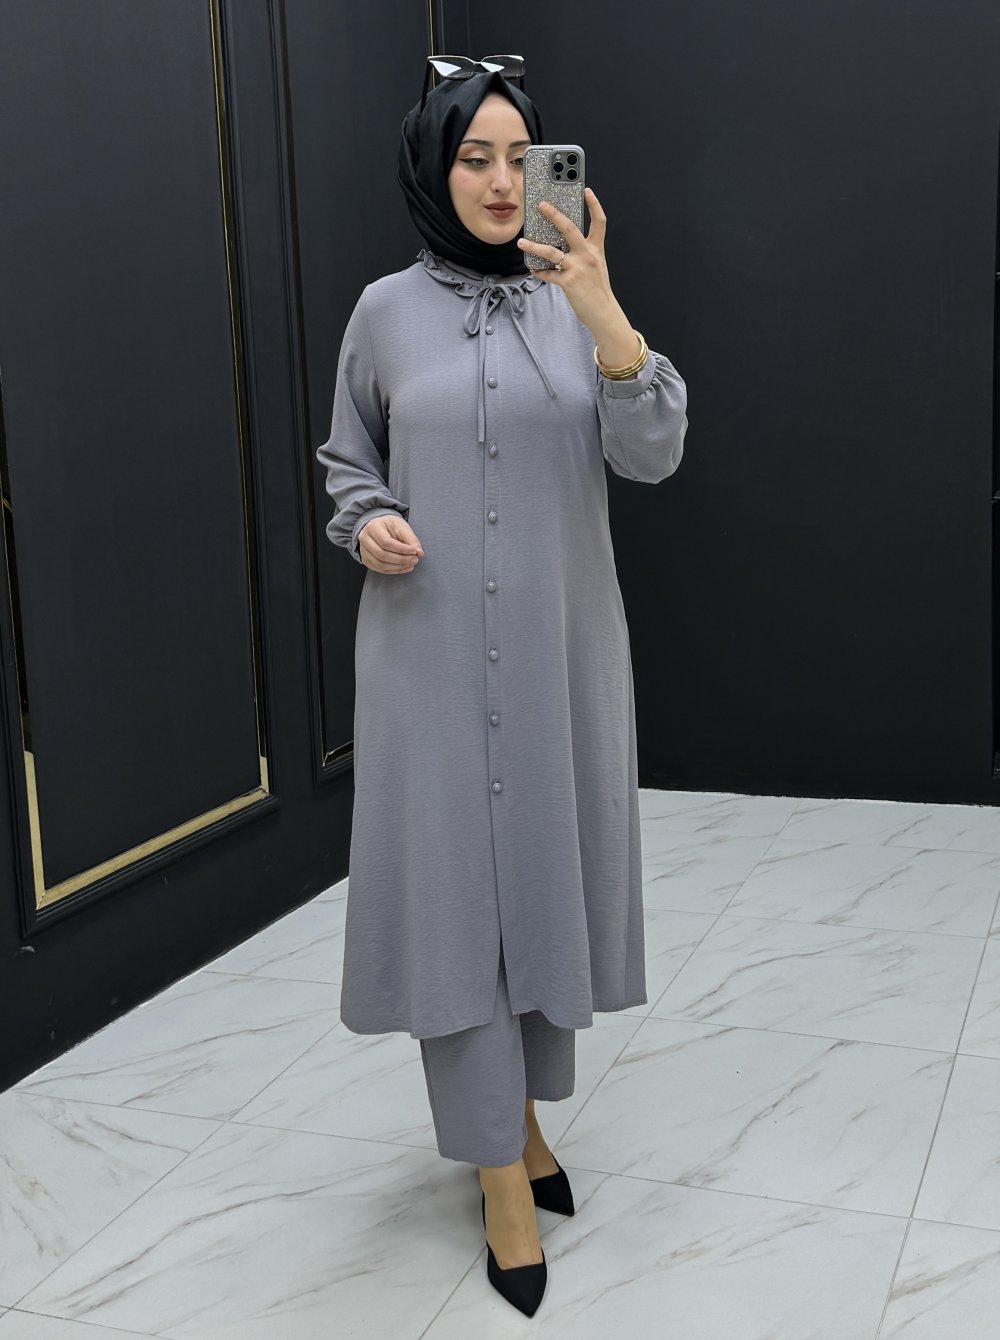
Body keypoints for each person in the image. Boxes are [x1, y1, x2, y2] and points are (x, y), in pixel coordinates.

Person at [315, 57, 688, 1317]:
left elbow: (652, 453)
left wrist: (603, 308)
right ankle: (498, 1177)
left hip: (554, 656)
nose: (495, 180)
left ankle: (519, 1120)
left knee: (535, 883)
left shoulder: (578, 303)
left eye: (518, 158)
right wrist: (366, 520)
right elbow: (348, 462)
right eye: (471, 155)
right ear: (434, 166)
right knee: (450, 906)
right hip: (422, 661)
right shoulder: (382, 312)